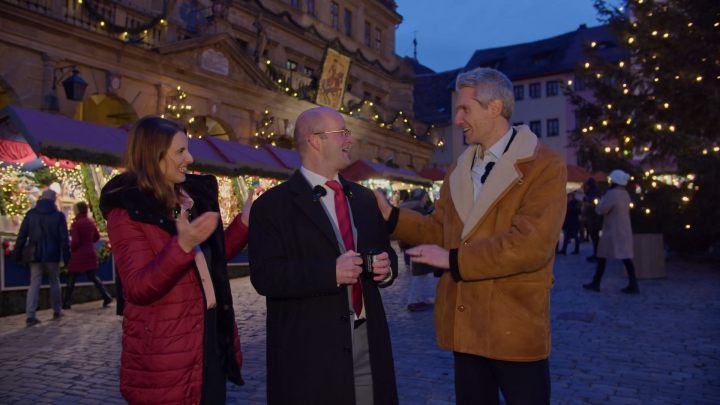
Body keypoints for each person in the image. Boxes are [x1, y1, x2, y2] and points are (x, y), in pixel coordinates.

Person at [374, 67, 567, 405]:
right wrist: (392, 217)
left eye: (465, 109)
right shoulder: (459, 169)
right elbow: (439, 230)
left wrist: (452, 260)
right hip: (466, 325)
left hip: (514, 325)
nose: (457, 118)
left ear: (494, 108)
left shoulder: (543, 165)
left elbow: (530, 245)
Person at [249, 106, 399, 405]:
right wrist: (328, 272)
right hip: (311, 352)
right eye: (341, 133)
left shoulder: (365, 199)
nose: (349, 140)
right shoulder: (272, 206)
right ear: (315, 140)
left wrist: (387, 269)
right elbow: (266, 277)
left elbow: (386, 253)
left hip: (368, 342)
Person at [99, 116, 254, 404]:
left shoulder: (190, 200)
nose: (191, 158)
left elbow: (211, 259)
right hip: (165, 344)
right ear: (154, 156)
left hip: (209, 335)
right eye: (181, 152)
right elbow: (138, 287)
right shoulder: (127, 210)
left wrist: (244, 224)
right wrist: (182, 246)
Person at [14, 189, 70, 327]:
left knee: (34, 283)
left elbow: (22, 235)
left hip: (35, 254)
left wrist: (17, 252)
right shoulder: (58, 216)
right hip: (52, 253)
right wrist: (67, 256)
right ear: (53, 200)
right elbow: (64, 239)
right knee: (54, 281)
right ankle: (57, 310)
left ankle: (30, 315)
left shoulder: (31, 214)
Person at [583, 169, 639, 294]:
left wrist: (600, 203)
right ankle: (633, 283)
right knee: (626, 257)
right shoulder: (625, 194)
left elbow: (601, 209)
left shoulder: (612, 194)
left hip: (612, 230)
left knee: (602, 256)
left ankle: (596, 282)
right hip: (623, 229)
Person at [62, 201, 113, 309]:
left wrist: (72, 248)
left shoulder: (76, 224)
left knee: (72, 277)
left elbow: (75, 241)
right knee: (93, 276)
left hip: (79, 255)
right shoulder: (90, 222)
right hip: (90, 252)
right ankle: (106, 295)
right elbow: (97, 237)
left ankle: (67, 301)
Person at [398, 188, 438, 312]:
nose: (427, 198)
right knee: (419, 275)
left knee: (422, 274)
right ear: (422, 197)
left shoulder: (409, 207)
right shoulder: (419, 209)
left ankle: (418, 299)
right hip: (420, 245)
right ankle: (414, 301)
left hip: (414, 245)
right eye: (425, 196)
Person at [581, 177, 602, 262]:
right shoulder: (592, 192)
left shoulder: (594, 192)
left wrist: (587, 203)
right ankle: (596, 254)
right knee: (594, 237)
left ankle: (597, 254)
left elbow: (594, 204)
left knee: (595, 237)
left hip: (593, 217)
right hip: (592, 217)